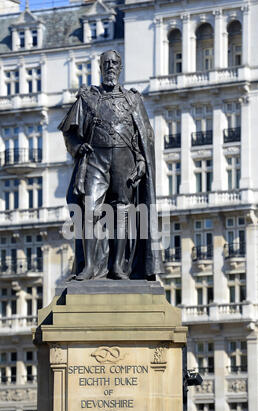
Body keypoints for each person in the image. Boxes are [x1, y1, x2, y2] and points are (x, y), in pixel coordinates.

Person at [58, 50, 163, 280]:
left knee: (122, 211)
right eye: (106, 63)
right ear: (100, 67)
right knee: (90, 210)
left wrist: (143, 160)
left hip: (124, 160)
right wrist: (77, 147)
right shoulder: (87, 98)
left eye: (115, 63)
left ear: (121, 67)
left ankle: (117, 266)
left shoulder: (133, 99)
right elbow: (69, 132)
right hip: (96, 158)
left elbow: (144, 136)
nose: (110, 67)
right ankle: (89, 267)